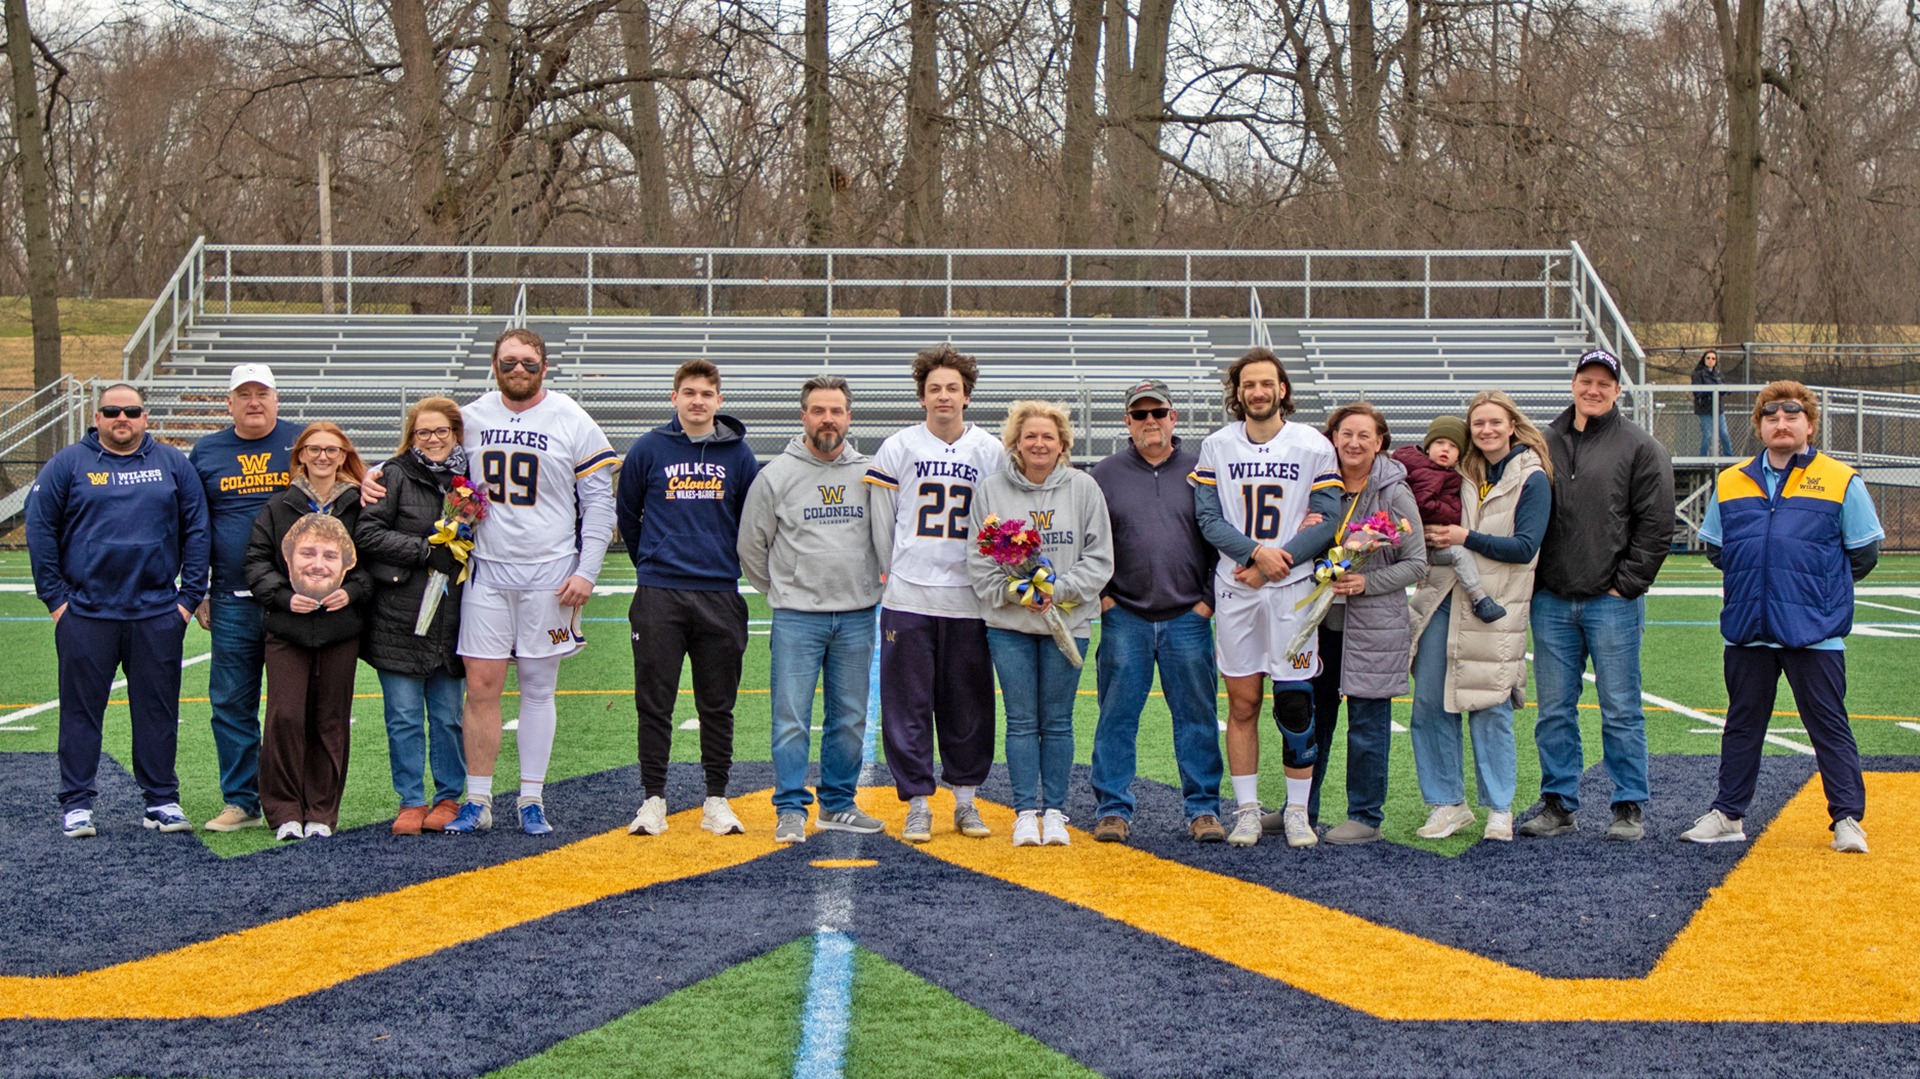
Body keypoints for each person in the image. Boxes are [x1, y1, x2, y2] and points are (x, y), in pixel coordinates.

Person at [1682, 381, 1882, 853]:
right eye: (1771, 417)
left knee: (1828, 725)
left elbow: (1863, 554)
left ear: (1810, 424)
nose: (1781, 424)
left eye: (1792, 416)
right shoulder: (1731, 481)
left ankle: (1848, 819)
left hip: (1815, 633)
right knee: (1742, 725)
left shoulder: (1840, 479)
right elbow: (1717, 549)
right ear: (1759, 426)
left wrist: (1814, 594)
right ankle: (1729, 814)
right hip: (1749, 629)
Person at [444, 328, 619, 836]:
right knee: (481, 687)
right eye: (508, 362)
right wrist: (374, 475)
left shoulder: (572, 418)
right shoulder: (471, 417)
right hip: (487, 572)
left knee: (539, 688)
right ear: (493, 366)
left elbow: (599, 503)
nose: (518, 370)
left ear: (545, 366)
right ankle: (477, 800)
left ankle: (531, 798)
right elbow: (424, 455)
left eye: (528, 362)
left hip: (550, 573)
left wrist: (587, 570)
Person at [27, 384, 209, 838]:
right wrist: (57, 602)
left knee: (157, 711)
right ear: (97, 416)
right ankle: (77, 804)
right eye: (112, 411)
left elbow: (198, 530)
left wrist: (187, 601)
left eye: (132, 410)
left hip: (157, 612)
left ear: (146, 416)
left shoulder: (173, 464)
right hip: (86, 614)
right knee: (81, 711)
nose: (122, 418)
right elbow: (40, 529)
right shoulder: (68, 464)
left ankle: (161, 801)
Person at [1190, 348, 1342, 848]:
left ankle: (1297, 812)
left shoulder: (1313, 445)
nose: (1258, 392)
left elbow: (1326, 518)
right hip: (1237, 588)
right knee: (1243, 701)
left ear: (1282, 390)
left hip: (1293, 590)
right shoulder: (1216, 445)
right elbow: (1209, 519)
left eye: (1267, 384)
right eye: (1248, 384)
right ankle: (1249, 810)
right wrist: (1257, 555)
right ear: (1237, 392)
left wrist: (1279, 562)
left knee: (1295, 703)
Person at [1524, 348, 1675, 841]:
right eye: (1586, 380)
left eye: (1603, 383)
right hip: (1551, 600)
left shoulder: (1640, 446)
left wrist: (1625, 584)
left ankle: (1628, 805)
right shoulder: (1543, 442)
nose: (1594, 389)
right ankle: (1559, 803)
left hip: (1612, 602)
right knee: (1553, 711)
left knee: (1620, 707)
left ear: (1617, 390)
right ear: (1573, 384)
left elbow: (1657, 525)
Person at [863, 345, 1005, 843]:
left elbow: (1001, 523)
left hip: (969, 597)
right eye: (934, 388)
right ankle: (918, 802)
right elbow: (882, 521)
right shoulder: (899, 447)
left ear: (967, 395)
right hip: (909, 596)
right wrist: (894, 570)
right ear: (922, 396)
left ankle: (965, 802)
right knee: (908, 704)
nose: (944, 396)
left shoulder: (989, 450)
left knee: (967, 702)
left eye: (953, 387)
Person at [737, 376, 884, 843]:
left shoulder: (869, 472)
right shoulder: (776, 475)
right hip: (798, 616)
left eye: (836, 411)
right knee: (790, 717)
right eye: (818, 410)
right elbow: (751, 548)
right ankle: (791, 808)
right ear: (803, 416)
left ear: (849, 417)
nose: (828, 419)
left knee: (850, 717)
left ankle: (838, 803)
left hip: (858, 614)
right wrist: (786, 588)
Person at [620, 359, 762, 837]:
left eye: (706, 393)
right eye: (689, 392)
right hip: (659, 592)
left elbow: (749, 520)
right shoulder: (648, 448)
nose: (697, 400)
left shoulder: (739, 455)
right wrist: (655, 563)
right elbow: (629, 514)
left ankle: (716, 800)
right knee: (654, 702)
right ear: (674, 398)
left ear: (719, 400)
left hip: (719, 591)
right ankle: (652, 800)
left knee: (717, 704)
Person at [1407, 391, 1552, 842]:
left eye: (1494, 422)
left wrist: (1463, 535)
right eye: (1478, 424)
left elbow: (1526, 547)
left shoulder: (1532, 478)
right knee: (1430, 705)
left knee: (1489, 707)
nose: (1486, 430)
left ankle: (1499, 809)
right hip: (1440, 600)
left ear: (1512, 425)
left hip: (1495, 607)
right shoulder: (1458, 473)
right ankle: (1447, 805)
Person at [1087, 379, 1227, 844]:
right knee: (1116, 716)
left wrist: (1207, 602)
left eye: (1159, 412)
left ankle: (1203, 808)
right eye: (1140, 414)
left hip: (1189, 614)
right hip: (1124, 613)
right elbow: (1092, 542)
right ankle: (1112, 807)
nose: (1151, 421)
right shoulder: (1104, 473)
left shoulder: (1201, 470)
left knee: (1196, 717)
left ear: (1174, 417)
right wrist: (1105, 598)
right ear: (1127, 422)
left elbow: (1219, 539)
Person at [969, 401, 1113, 847]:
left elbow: (1100, 558)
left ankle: (1055, 811)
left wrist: (1058, 590)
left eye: (1048, 436)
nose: (1039, 443)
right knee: (1020, 720)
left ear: (1063, 443)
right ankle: (1023, 812)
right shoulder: (991, 490)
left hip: (1067, 625)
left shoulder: (1085, 488)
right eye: (1029, 436)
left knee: (1058, 721)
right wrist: (1020, 593)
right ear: (1015, 442)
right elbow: (979, 562)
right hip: (1009, 626)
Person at [1294, 403, 1425, 844]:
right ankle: (1300, 810)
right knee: (1313, 720)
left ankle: (1365, 816)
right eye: (1345, 433)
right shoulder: (1318, 487)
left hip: (1373, 628)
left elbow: (1417, 564)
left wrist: (1364, 582)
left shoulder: (1393, 492)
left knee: (1368, 725)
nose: (1353, 443)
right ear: (1333, 438)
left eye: (1364, 436)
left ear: (1380, 443)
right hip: (1320, 625)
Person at [243, 423, 371, 841]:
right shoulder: (280, 506)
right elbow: (257, 560)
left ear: (342, 455)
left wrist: (351, 592)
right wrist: (283, 597)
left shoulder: (359, 506)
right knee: (285, 716)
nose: (322, 457)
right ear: (300, 455)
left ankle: (321, 811)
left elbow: (374, 563)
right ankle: (283, 812)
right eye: (313, 449)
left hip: (339, 629)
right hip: (288, 629)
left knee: (330, 720)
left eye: (331, 450)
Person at [188, 363, 301, 832]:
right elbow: (192, 525)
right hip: (231, 597)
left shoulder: (302, 442)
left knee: (292, 705)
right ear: (229, 403)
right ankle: (242, 801)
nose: (254, 402)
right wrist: (197, 589)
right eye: (244, 394)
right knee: (232, 703)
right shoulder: (207, 451)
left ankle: (295, 801)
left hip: (295, 597)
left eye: (263, 393)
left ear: (277, 399)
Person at [354, 398, 470, 835]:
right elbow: (367, 532)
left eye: (441, 431)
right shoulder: (394, 475)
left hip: (454, 615)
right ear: (412, 435)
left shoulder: (470, 480)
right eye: (424, 432)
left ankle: (448, 797)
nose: (434, 439)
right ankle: (411, 800)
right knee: (402, 716)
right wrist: (426, 552)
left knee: (447, 715)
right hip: (399, 616)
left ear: (455, 433)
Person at [1392, 416, 1504, 622]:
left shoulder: (1439, 472)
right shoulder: (1429, 472)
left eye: (1453, 446)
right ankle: (1479, 597)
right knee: (1459, 553)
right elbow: (1423, 506)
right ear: (1428, 446)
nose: (1445, 449)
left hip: (1422, 543)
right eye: (1439, 443)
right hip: (1419, 545)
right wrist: (1454, 512)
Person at [1692, 350, 1734, 457]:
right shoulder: (1698, 374)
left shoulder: (1718, 374)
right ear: (1704, 360)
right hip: (1704, 408)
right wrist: (1712, 390)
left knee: (1724, 433)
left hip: (1718, 408)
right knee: (1708, 435)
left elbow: (1724, 388)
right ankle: (1703, 459)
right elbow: (1697, 392)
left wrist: (1724, 389)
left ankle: (1729, 458)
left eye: (1713, 358)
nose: (1711, 360)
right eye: (1708, 358)